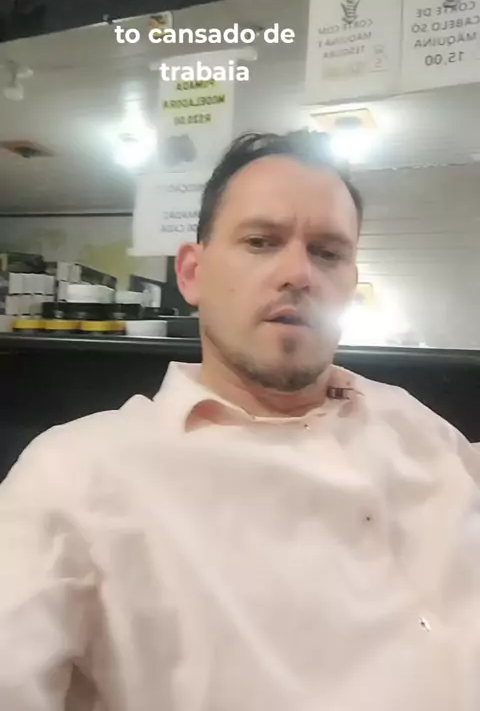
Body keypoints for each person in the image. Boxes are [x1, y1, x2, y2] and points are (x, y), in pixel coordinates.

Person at [0, 130, 479, 711]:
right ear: (192, 273)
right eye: (261, 242)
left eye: (328, 253)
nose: (298, 273)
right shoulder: (76, 478)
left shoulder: (414, 422)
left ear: (351, 286)